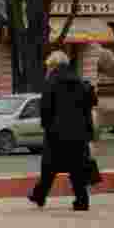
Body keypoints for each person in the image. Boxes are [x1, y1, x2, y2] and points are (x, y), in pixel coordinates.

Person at [28, 50, 94, 212]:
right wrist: (88, 133)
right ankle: (82, 201)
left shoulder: (51, 82)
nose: (48, 69)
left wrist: (46, 125)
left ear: (53, 65)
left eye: (49, 66)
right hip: (78, 133)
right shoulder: (79, 81)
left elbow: (46, 108)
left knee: (49, 167)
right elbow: (87, 108)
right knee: (77, 168)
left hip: (56, 132)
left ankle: (39, 195)